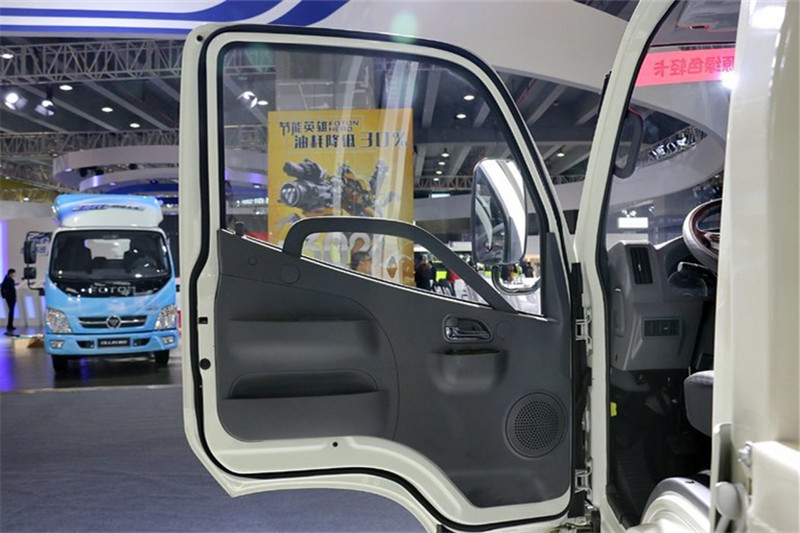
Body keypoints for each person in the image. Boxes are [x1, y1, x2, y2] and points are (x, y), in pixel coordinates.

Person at [2, 268, 18, 335]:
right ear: (11, 273)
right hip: (10, 297)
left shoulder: (7, 279)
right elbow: (4, 287)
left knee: (11, 311)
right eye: (14, 273)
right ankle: (9, 325)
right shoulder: (8, 279)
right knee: (11, 311)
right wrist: (4, 295)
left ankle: (10, 325)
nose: (14, 274)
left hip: (10, 297)